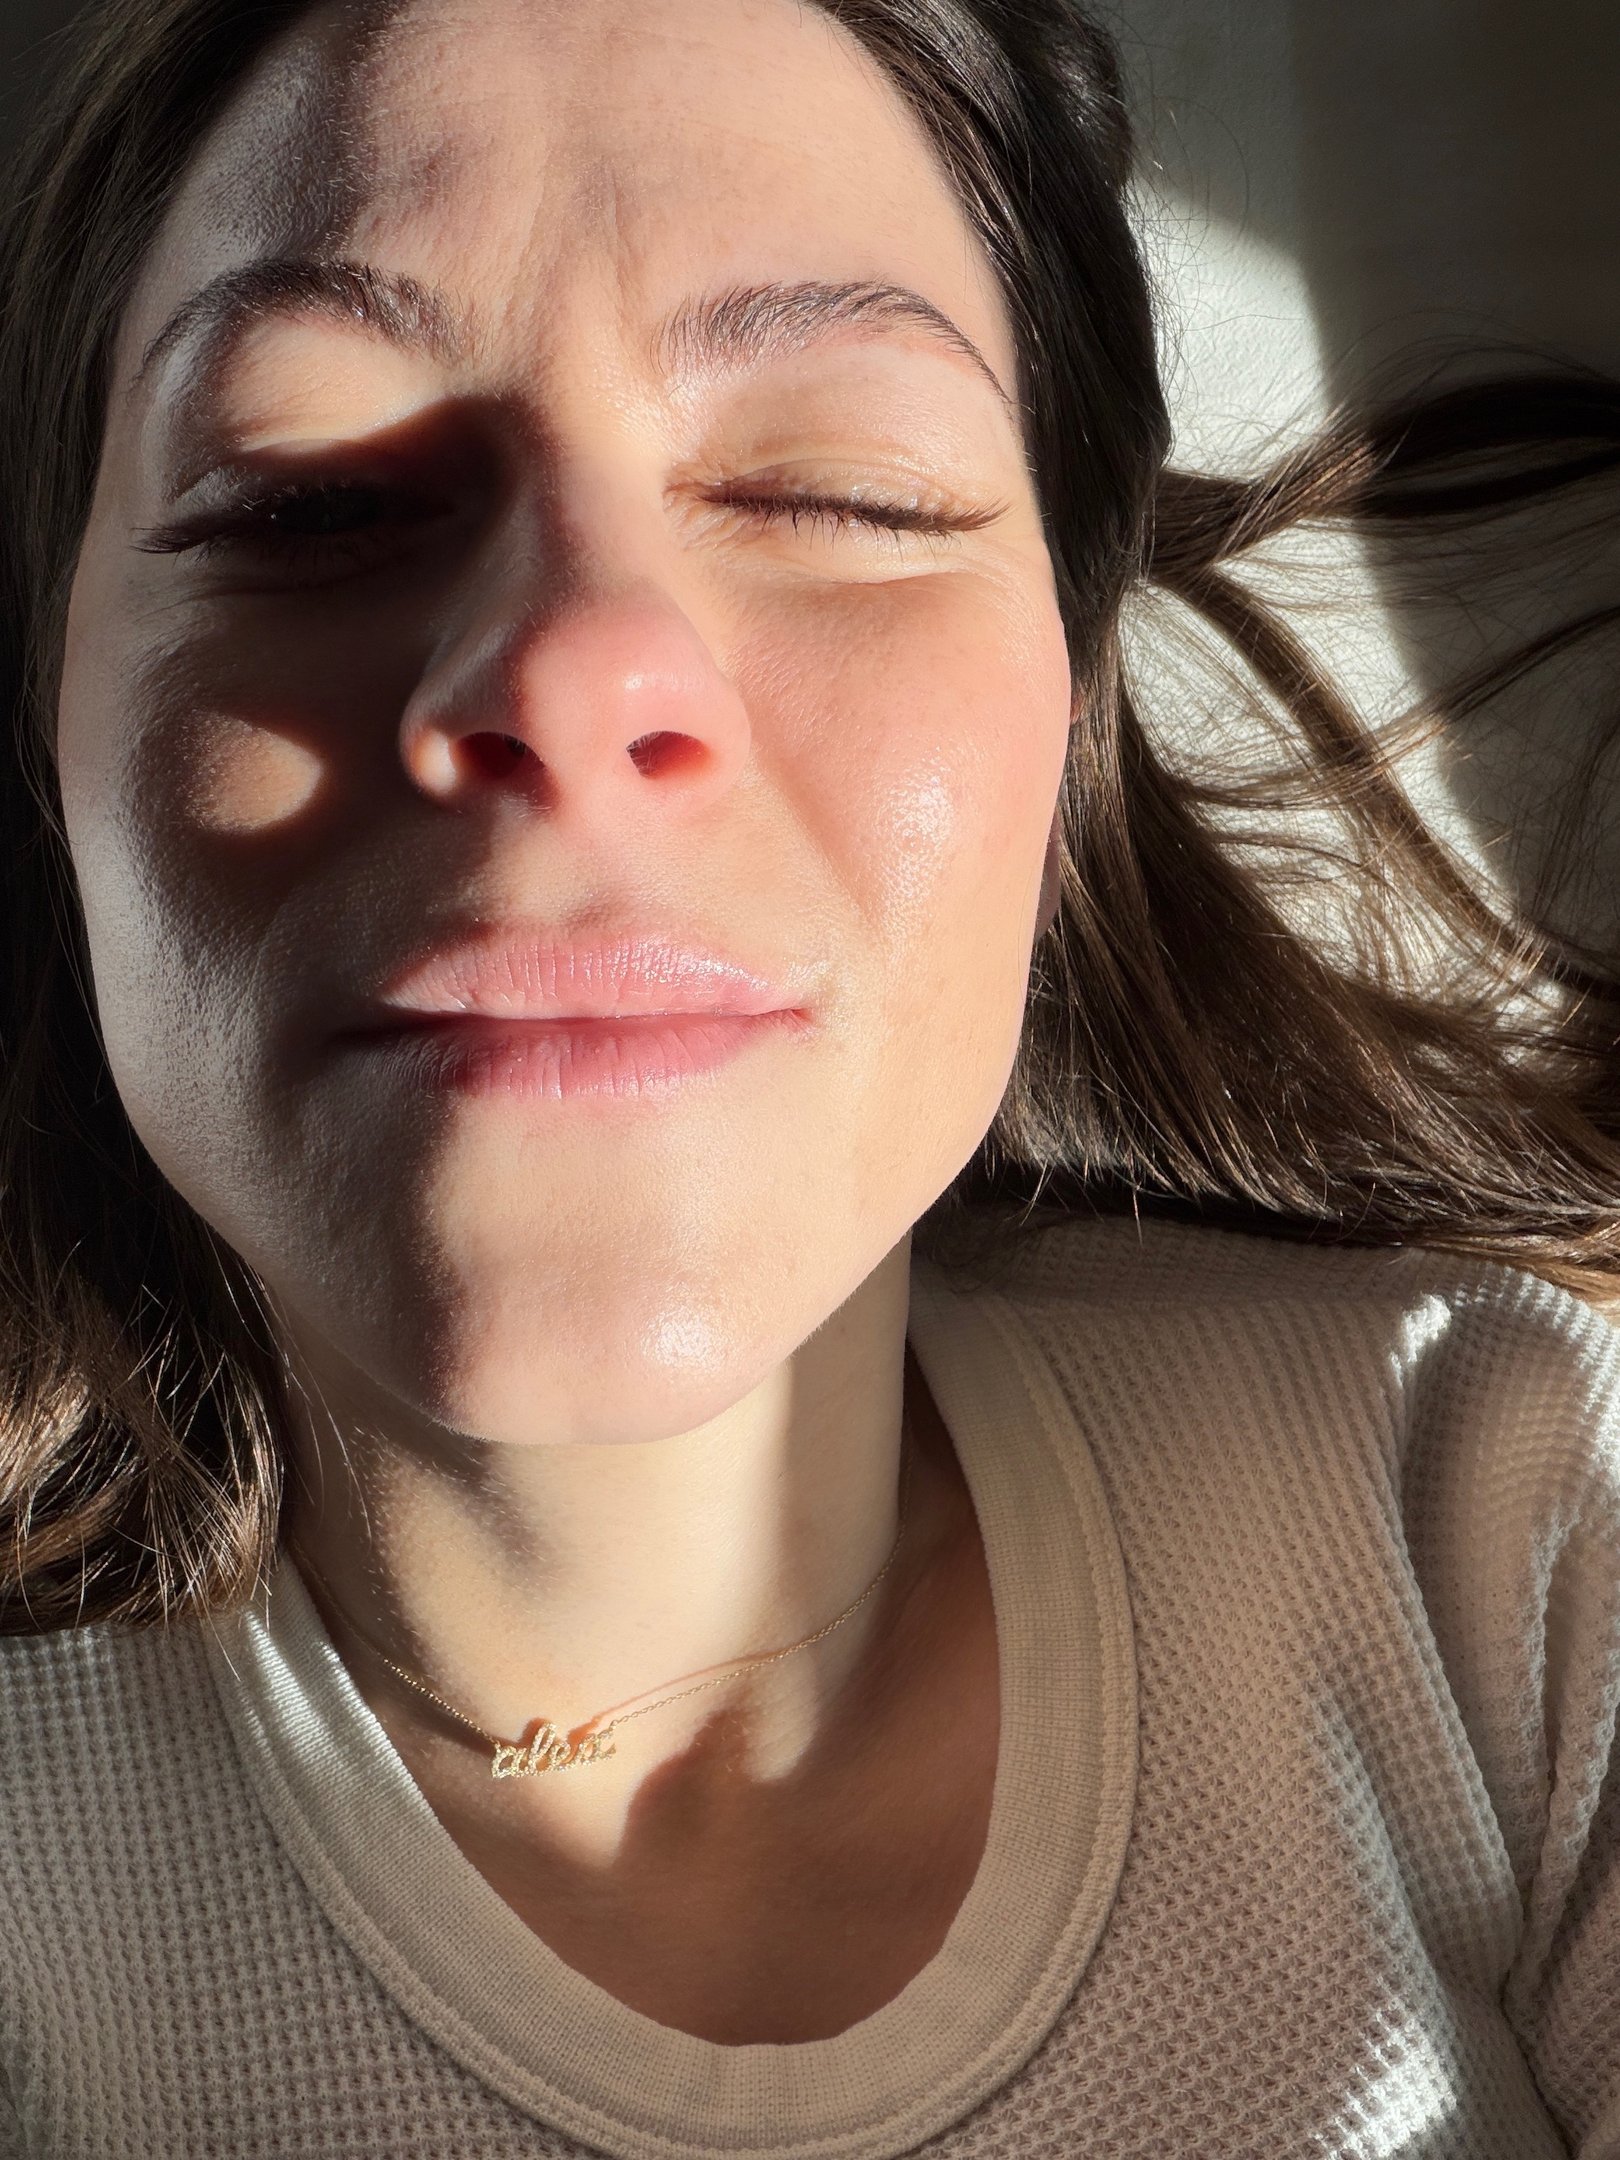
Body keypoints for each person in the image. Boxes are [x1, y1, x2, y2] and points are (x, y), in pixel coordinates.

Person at [1, 0, 1617, 2151]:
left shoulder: (1513, 1513)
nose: (570, 667)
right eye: (307, 500)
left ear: (1071, 713)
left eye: (831, 486)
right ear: (51, 729)